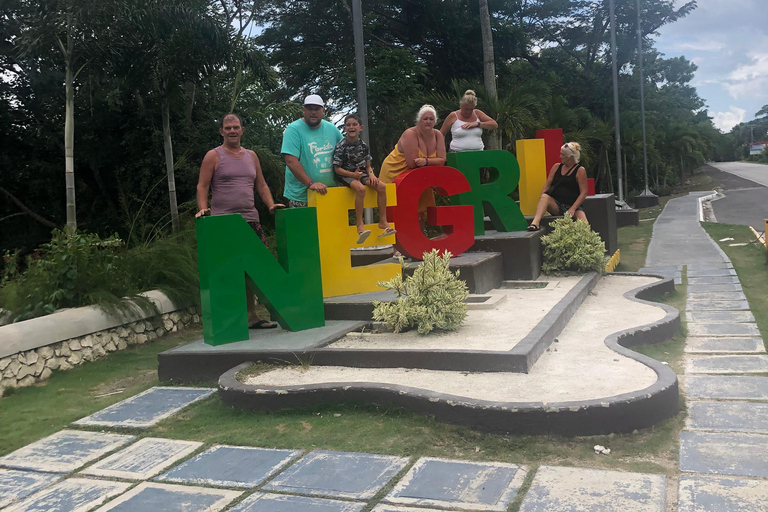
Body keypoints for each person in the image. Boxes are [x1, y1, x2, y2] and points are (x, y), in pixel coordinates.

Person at [195, 113, 284, 329]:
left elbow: (261, 185)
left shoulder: (252, 156)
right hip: (223, 222)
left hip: (250, 220)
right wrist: (203, 209)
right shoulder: (213, 156)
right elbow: (202, 186)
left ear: (242, 130)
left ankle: (252, 316)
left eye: (236, 127)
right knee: (226, 271)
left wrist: (271, 205)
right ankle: (228, 320)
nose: (232, 131)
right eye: (228, 128)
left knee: (254, 270)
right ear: (221, 132)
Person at [333, 114, 396, 244]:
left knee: (381, 186)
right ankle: (360, 225)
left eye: (354, 124)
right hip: (346, 175)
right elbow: (337, 169)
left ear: (360, 127)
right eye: (348, 125)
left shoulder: (363, 145)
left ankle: (383, 222)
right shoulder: (341, 146)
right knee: (360, 189)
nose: (351, 127)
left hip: (361, 174)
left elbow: (367, 165)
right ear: (344, 128)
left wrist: (372, 174)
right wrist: (352, 175)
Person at [380, 105, 447, 217]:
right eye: (425, 119)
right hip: (396, 172)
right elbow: (412, 163)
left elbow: (442, 160)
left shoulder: (438, 135)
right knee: (398, 211)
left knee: (420, 211)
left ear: (435, 121)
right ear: (419, 120)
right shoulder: (410, 134)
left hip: (421, 175)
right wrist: (432, 162)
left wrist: (426, 162)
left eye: (431, 119)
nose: (428, 121)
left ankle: (417, 233)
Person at [281, 94, 343, 208]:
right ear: (303, 110)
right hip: (301, 197)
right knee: (305, 226)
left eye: (317, 109)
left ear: (323, 111)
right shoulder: (293, 130)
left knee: (331, 226)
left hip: (329, 193)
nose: (313, 112)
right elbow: (290, 161)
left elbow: (346, 152)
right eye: (309, 108)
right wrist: (311, 183)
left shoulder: (332, 129)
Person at [527, 142, 589, 231]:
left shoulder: (580, 170)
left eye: (563, 154)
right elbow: (547, 184)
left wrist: (573, 209)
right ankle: (535, 223)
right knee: (545, 197)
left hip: (572, 205)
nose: (560, 156)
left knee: (585, 227)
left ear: (570, 156)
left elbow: (584, 193)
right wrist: (542, 198)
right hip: (557, 204)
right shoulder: (556, 167)